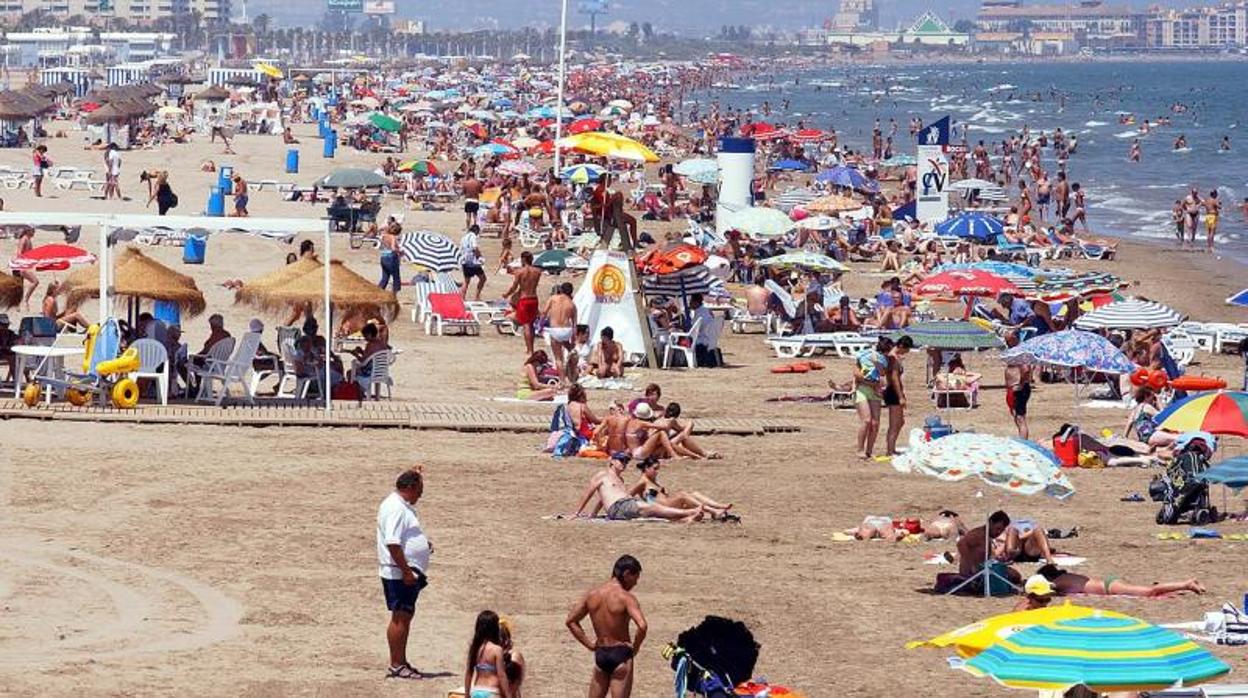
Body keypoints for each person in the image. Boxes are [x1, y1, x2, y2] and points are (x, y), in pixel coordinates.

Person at [566, 555, 650, 698]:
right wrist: (635, 648)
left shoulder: (592, 595)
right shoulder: (626, 598)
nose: (635, 583)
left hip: (601, 654)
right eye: (635, 578)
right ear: (626, 573)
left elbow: (571, 621)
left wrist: (590, 645)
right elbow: (642, 626)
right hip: (621, 654)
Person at [377, 466, 432, 680]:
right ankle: (397, 664)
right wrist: (406, 571)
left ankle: (401, 660)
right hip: (399, 573)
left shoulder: (399, 505)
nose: (421, 494)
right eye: (419, 489)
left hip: (403, 571)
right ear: (409, 487)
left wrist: (422, 546)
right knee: (400, 617)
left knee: (405, 616)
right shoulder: (395, 508)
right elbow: (392, 543)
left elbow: (401, 539)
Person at [572, 454, 704, 523]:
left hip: (624, 506)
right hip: (620, 506)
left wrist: (594, 514)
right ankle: (691, 512)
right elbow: (589, 492)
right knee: (655, 508)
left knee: (657, 514)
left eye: (626, 461)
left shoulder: (620, 480)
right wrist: (577, 512)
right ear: (612, 461)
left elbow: (602, 499)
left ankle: (686, 519)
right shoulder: (603, 475)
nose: (624, 463)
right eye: (621, 460)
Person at [630, 457, 733, 520]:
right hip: (662, 507)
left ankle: (718, 506)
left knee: (695, 494)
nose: (657, 472)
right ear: (646, 468)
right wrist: (644, 504)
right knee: (682, 495)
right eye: (655, 469)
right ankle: (713, 511)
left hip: (668, 503)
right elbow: (628, 495)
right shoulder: (642, 481)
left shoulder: (652, 480)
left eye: (658, 469)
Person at [1035, 563, 1205, 598]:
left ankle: (1187, 583)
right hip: (1109, 582)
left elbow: (1046, 589)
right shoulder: (1066, 575)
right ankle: (1179, 587)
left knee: (1149, 591)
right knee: (1147, 590)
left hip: (1109, 588)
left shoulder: (1059, 581)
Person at [958, 510, 1020, 584]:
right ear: (990, 523)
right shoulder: (978, 534)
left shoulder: (987, 537)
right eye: (997, 528)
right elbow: (961, 544)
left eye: (1001, 530)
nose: (998, 532)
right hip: (973, 573)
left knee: (1015, 575)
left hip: (983, 569)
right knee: (1013, 576)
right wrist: (971, 565)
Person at [854, 337, 890, 459]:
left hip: (874, 391)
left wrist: (876, 364)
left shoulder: (884, 360)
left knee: (875, 423)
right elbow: (856, 374)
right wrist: (873, 384)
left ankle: (869, 450)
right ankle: (860, 449)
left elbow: (882, 376)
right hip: (863, 390)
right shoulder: (863, 355)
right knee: (866, 420)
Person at [464, 610, 514, 698]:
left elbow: (469, 673)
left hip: (477, 690)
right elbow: (502, 675)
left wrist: (467, 694)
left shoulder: (475, 649)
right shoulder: (496, 650)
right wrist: (508, 695)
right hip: (492, 691)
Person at [501, 251, 542, 355]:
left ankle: (530, 350)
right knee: (531, 324)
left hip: (524, 299)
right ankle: (531, 347)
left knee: (526, 325)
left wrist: (506, 294)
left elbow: (514, 287)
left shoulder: (519, 272)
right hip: (534, 298)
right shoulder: (537, 271)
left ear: (523, 259)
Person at [883, 335, 913, 456]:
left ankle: (891, 448)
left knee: (900, 422)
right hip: (893, 391)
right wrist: (900, 396)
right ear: (901, 346)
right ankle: (890, 450)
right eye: (906, 349)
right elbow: (894, 378)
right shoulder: (893, 358)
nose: (906, 352)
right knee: (895, 423)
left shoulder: (894, 357)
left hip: (895, 390)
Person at [543, 282, 577, 378]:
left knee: (558, 358)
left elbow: (544, 312)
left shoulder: (553, 299)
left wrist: (540, 323)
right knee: (566, 344)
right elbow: (574, 325)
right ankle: (571, 352)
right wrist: (573, 340)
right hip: (567, 330)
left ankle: (562, 381)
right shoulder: (572, 304)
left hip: (555, 329)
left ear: (561, 290)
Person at [1003, 332, 1033, 439]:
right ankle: (1022, 439)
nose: (1006, 343)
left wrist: (1021, 383)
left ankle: (1024, 443)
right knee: (1017, 417)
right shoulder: (1015, 351)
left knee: (1020, 418)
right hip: (1014, 389)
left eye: (1008, 340)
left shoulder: (1020, 352)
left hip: (1018, 389)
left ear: (1015, 338)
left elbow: (1026, 369)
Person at [460, 224, 487, 301]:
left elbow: (461, 249)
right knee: (483, 278)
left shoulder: (463, 238)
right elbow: (475, 248)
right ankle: (477, 296)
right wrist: (480, 257)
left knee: (466, 281)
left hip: (465, 261)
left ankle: (462, 298)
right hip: (473, 262)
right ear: (476, 230)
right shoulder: (473, 236)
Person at [15, 227, 39, 311]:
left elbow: (31, 254)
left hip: (22, 265)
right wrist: (22, 265)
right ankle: (25, 300)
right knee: (35, 281)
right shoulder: (24, 239)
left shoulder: (28, 239)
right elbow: (19, 253)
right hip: (20, 265)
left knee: (19, 286)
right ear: (28, 231)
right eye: (33, 230)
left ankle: (18, 304)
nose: (34, 232)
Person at [377, 219, 401, 293]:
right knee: (396, 277)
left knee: (385, 277)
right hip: (391, 258)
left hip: (383, 257)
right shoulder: (392, 237)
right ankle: (394, 293)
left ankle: (378, 291)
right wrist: (399, 251)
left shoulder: (384, 236)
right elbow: (393, 248)